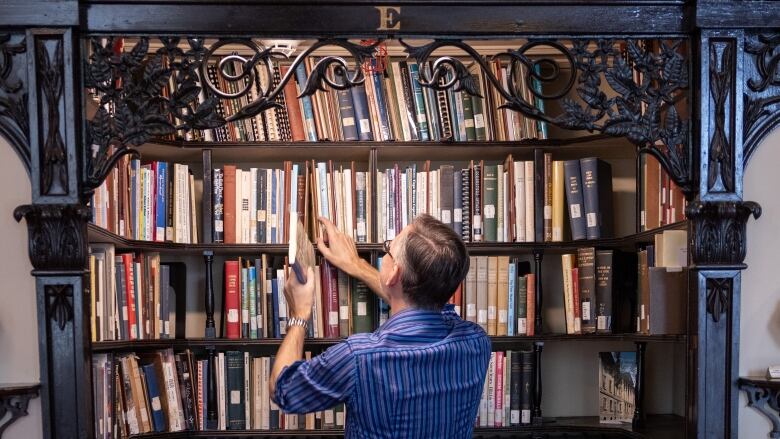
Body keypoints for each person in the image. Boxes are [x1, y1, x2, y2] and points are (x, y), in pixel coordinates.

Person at [269, 214, 491, 438]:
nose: (385, 252)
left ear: (394, 272)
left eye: (388, 248)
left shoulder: (358, 357)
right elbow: (421, 302)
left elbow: (284, 390)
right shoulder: (476, 341)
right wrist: (356, 265)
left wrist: (299, 314)